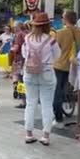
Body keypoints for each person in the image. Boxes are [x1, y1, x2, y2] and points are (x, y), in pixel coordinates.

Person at [22, 13, 61, 146]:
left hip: (29, 73)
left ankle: (28, 133)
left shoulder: (27, 38)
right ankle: (46, 135)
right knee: (46, 104)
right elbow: (57, 55)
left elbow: (24, 54)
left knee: (30, 103)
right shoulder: (51, 40)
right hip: (47, 73)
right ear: (47, 25)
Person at [52, 10, 80, 129]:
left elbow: (54, 49)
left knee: (57, 92)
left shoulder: (60, 33)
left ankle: (58, 118)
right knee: (66, 90)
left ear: (65, 19)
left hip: (60, 65)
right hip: (75, 66)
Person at [11, 22, 28, 109]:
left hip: (19, 60)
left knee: (20, 81)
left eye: (14, 27)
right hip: (26, 60)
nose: (13, 28)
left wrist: (11, 49)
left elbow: (16, 48)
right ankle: (26, 99)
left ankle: (23, 101)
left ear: (17, 27)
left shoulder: (19, 35)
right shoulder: (27, 34)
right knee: (24, 80)